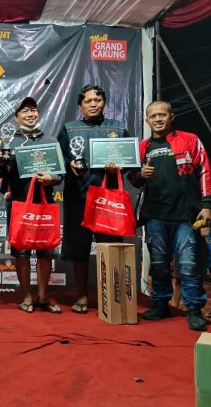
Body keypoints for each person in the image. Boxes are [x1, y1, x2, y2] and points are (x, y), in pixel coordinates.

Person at [129, 100, 210, 331]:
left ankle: (194, 309)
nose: (158, 119)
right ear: (147, 120)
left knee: (189, 264)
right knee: (159, 264)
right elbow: (133, 178)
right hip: (155, 215)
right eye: (153, 116)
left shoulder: (189, 140)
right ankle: (160, 304)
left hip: (186, 216)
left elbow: (205, 170)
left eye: (162, 115)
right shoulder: (142, 147)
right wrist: (141, 175)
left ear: (171, 117)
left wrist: (207, 204)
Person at [57, 84, 128, 314]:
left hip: (108, 199)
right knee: (79, 250)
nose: (93, 104)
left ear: (104, 103)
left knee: (111, 248)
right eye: (88, 101)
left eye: (97, 100)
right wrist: (68, 164)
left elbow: (129, 161)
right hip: (78, 198)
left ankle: (113, 298)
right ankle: (82, 296)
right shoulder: (69, 129)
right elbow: (58, 160)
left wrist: (118, 167)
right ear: (80, 105)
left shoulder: (118, 128)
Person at [0, 97, 62, 313]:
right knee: (21, 253)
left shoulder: (50, 140)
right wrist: (0, 163)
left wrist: (51, 178)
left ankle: (42, 296)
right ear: (16, 117)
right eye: (24, 111)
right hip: (18, 204)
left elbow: (60, 175)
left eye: (33, 110)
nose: (30, 114)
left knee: (46, 252)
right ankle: (27, 297)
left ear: (38, 114)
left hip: (44, 203)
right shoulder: (9, 142)